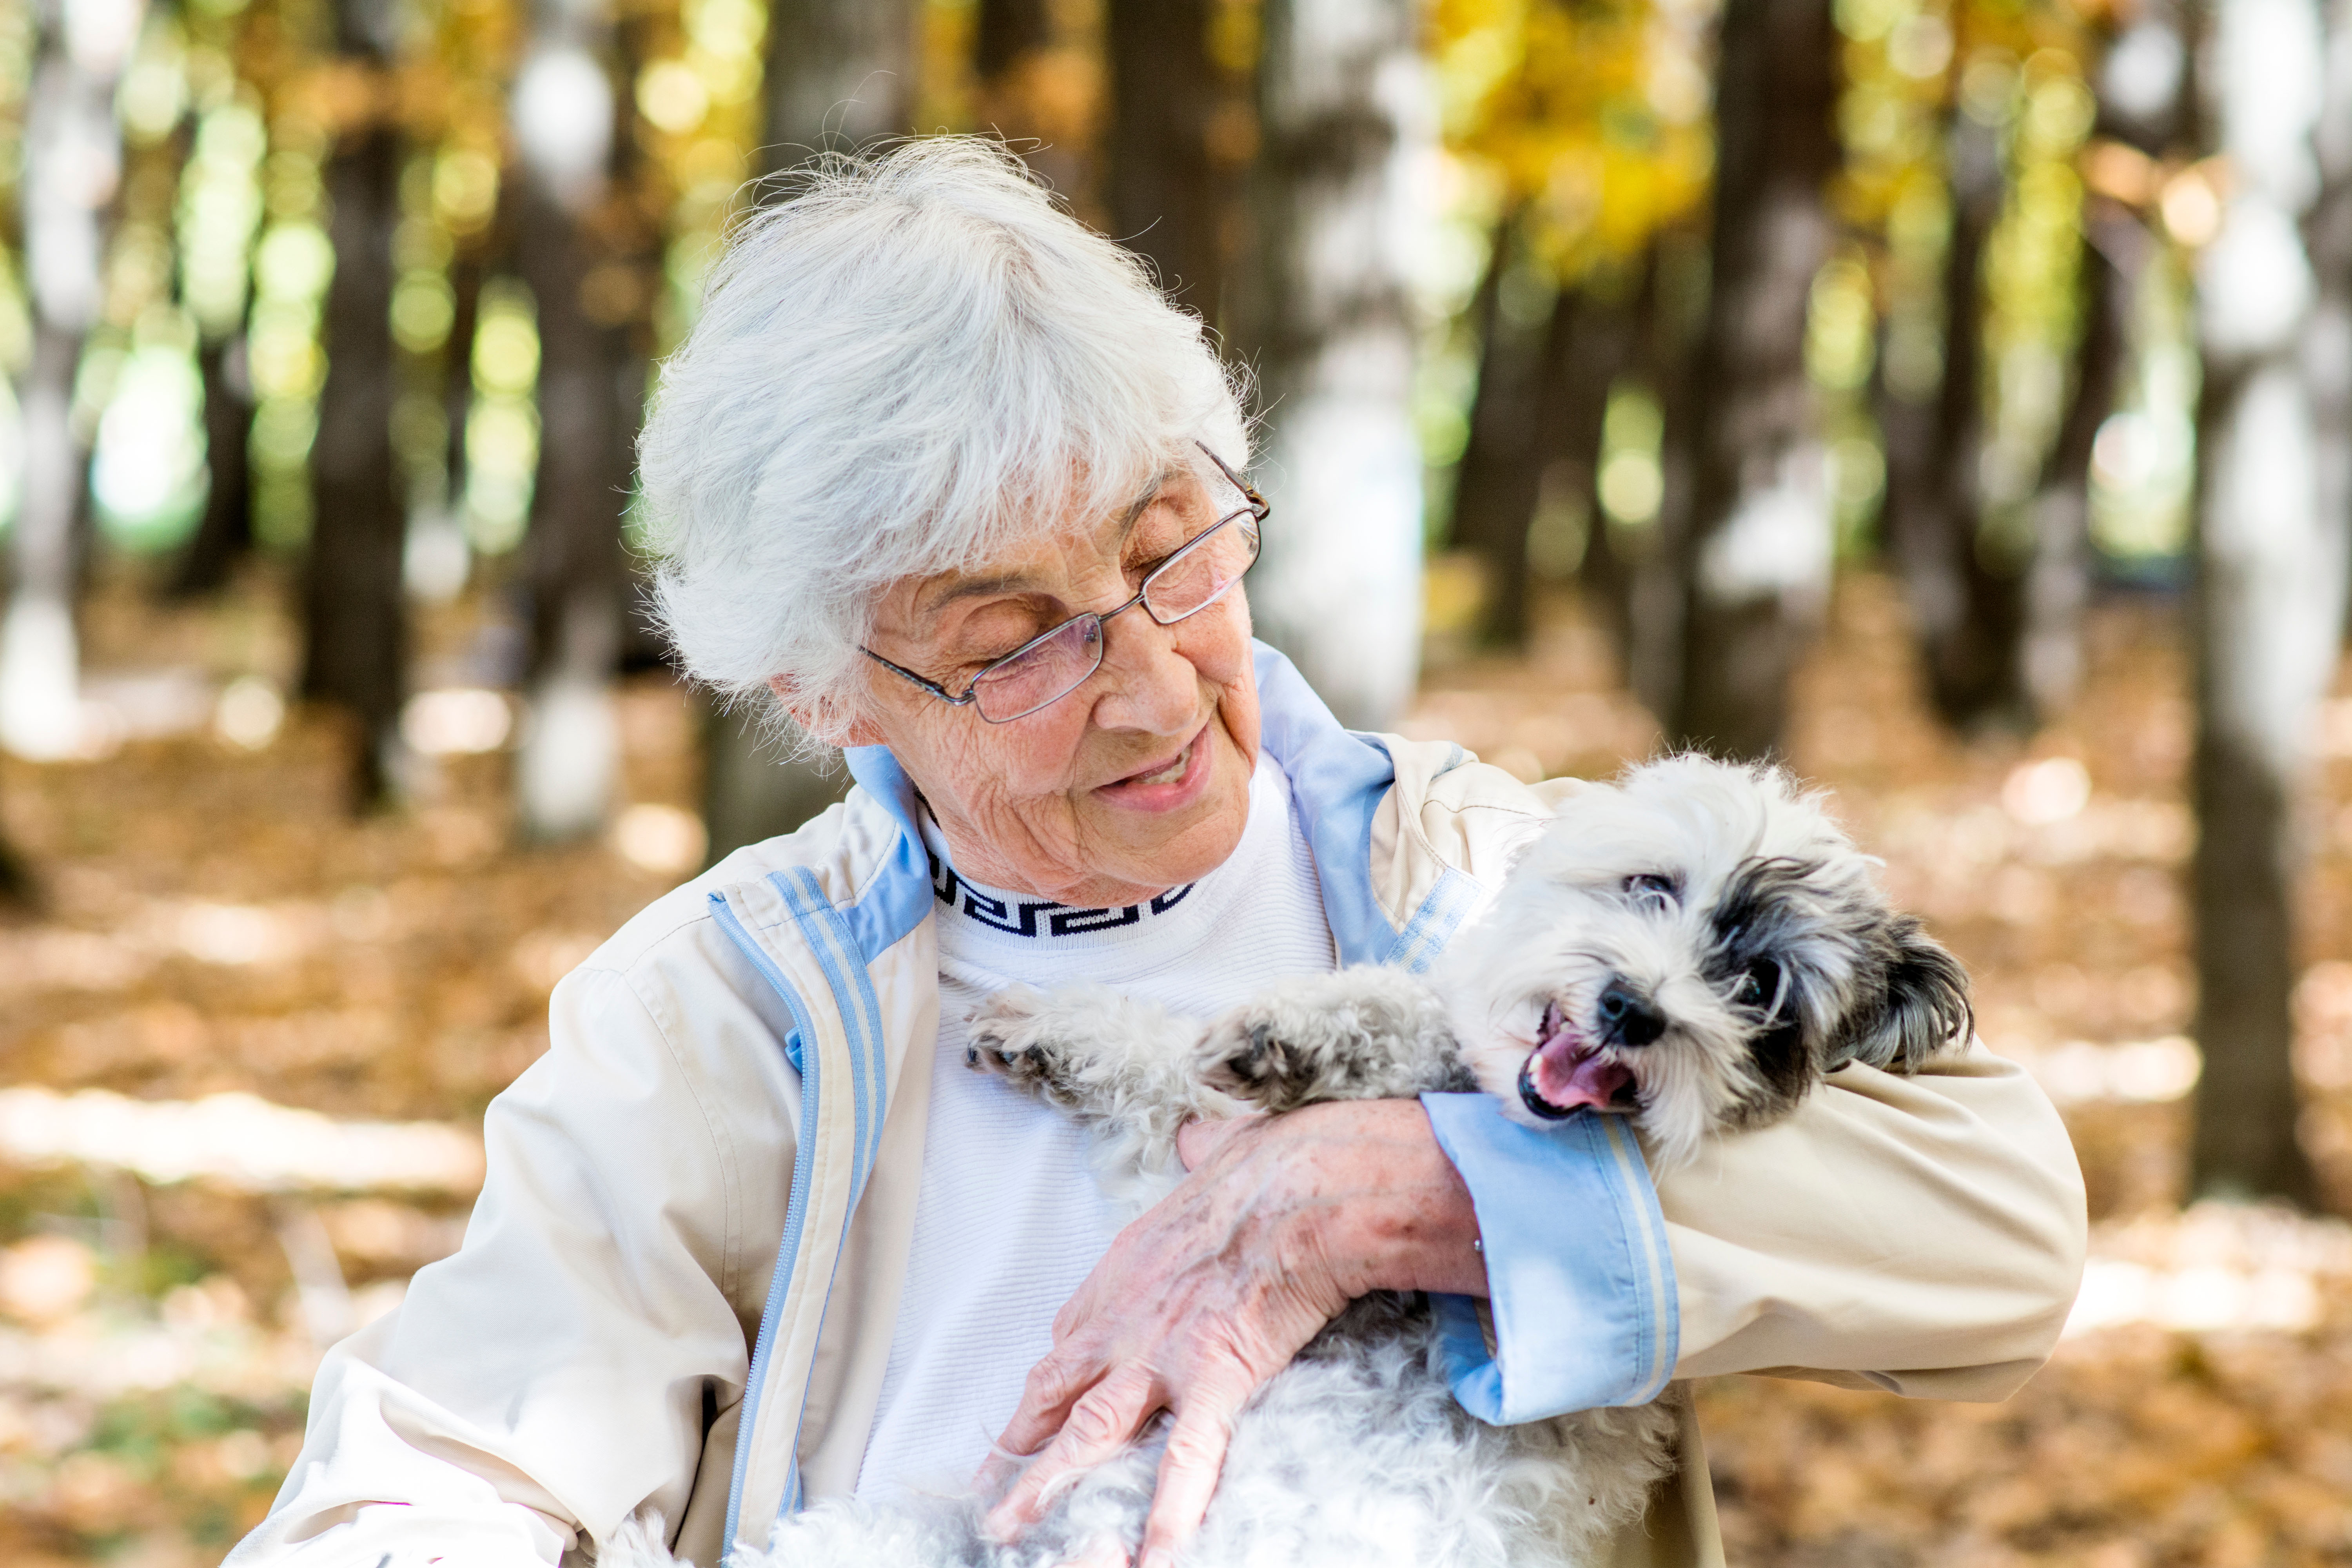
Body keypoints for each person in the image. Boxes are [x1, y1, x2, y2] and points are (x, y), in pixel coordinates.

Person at [227, 138, 2085, 1568]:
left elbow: (2002, 1228)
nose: (1146, 686)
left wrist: (1414, 1178)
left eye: (1169, 551)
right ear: (830, 692)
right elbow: (447, 1466)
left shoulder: (1501, 876)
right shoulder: (718, 1008)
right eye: (1012, 636)